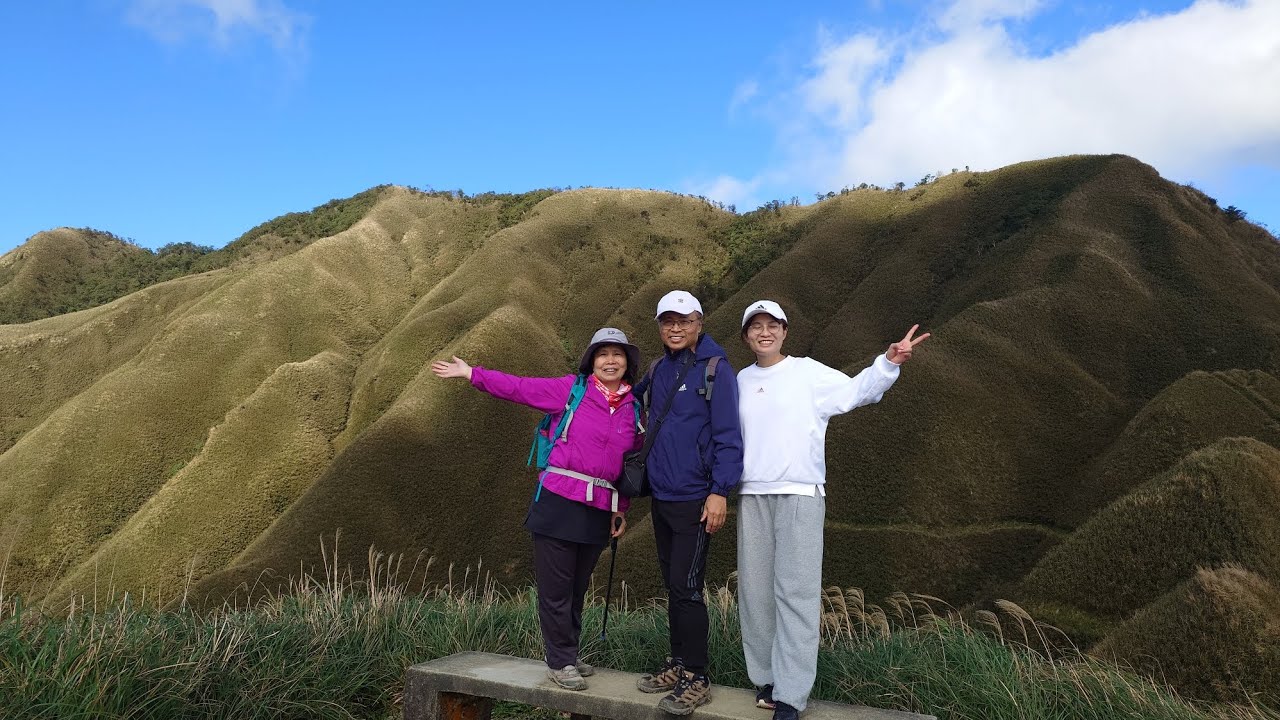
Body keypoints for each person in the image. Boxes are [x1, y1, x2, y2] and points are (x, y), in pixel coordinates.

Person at [735, 300, 928, 720]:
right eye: (756, 327)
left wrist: (888, 363)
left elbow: (857, 391)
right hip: (752, 494)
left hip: (801, 493)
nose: (764, 332)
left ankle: (790, 694)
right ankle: (766, 679)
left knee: (796, 592)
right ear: (746, 335)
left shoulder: (807, 372)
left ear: (785, 331)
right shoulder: (740, 381)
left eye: (772, 325)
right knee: (754, 593)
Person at [430, 328, 643, 691]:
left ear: (628, 363)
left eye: (617, 354)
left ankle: (569, 654)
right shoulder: (571, 390)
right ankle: (559, 662)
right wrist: (472, 374)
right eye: (602, 353)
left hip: (598, 506)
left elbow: (629, 464)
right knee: (556, 587)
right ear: (591, 360)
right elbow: (519, 387)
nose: (610, 360)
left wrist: (619, 508)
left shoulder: (632, 408)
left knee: (577, 587)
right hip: (558, 500)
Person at [633, 290, 744, 716]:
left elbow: (729, 437)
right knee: (673, 585)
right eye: (667, 321)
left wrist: (720, 491)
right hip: (662, 495)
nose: (675, 328)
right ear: (660, 326)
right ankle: (678, 665)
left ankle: (696, 676)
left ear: (700, 322)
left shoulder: (717, 370)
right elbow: (623, 394)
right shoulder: (659, 368)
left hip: (697, 498)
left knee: (687, 587)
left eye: (684, 320)